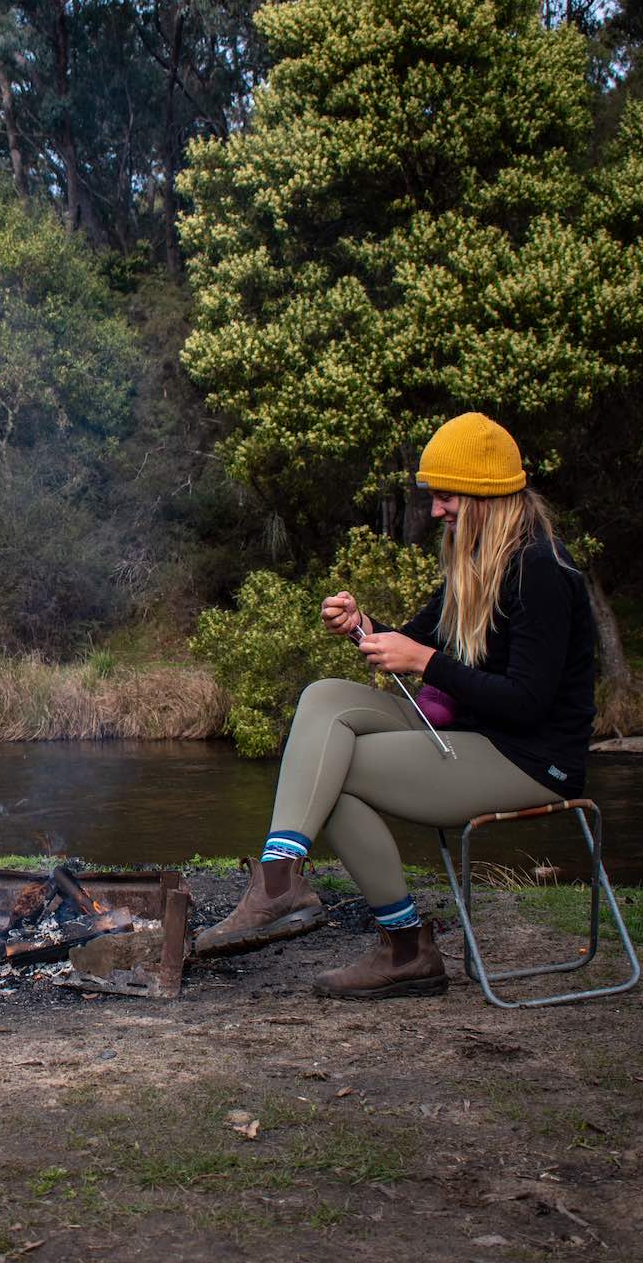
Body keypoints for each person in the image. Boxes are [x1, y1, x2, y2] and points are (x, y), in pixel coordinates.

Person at [195, 413, 596, 999]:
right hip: (470, 728)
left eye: (445, 495)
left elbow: (528, 704)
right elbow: (414, 640)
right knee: (323, 698)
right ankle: (282, 878)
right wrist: (363, 628)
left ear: (486, 493)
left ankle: (404, 947)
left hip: (529, 757)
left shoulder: (542, 571)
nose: (436, 510)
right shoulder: (474, 557)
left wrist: (425, 662)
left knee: (334, 775)